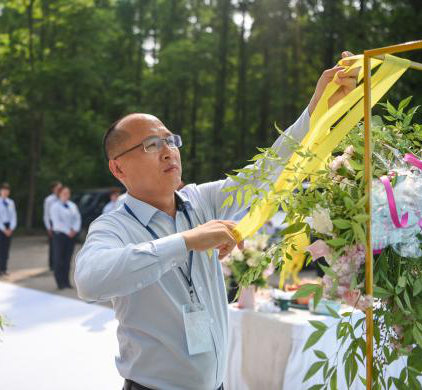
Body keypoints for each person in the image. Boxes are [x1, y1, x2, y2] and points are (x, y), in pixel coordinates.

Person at [74, 51, 358, 390]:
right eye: (151, 145)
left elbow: (266, 171)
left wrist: (317, 109)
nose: (168, 151)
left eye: (170, 140)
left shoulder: (200, 200)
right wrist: (187, 241)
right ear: (118, 168)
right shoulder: (114, 227)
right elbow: (89, 282)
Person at [50, 185, 81, 289]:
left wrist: (74, 230)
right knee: (59, 260)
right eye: (64, 193)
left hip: (71, 236)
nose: (67, 195)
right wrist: (68, 231)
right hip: (60, 235)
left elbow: (77, 218)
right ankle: (60, 283)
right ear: (59, 194)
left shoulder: (72, 205)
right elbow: (56, 222)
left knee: (68, 260)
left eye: (68, 193)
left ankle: (67, 282)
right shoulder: (55, 206)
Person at [0, 182, 17, 276]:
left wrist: (11, 228)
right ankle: (0, 269)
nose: (5, 192)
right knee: (0, 249)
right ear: (0, 191)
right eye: (3, 190)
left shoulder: (11, 202)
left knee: (6, 249)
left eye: (7, 190)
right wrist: (3, 229)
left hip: (9, 227)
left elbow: (13, 216)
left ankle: (5, 268)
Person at [44, 181, 62, 270]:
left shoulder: (62, 198)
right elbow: (46, 214)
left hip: (61, 223)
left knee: (60, 244)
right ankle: (52, 265)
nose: (60, 189)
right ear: (53, 189)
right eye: (58, 188)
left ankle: (58, 263)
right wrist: (48, 227)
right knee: (53, 245)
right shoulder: (49, 200)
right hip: (52, 223)